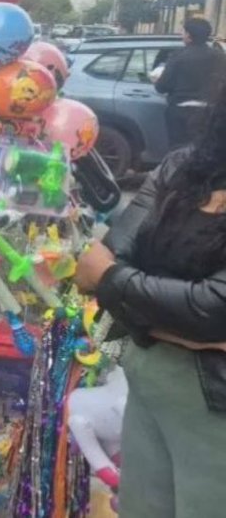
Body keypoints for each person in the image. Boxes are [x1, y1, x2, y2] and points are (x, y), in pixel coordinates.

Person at [75, 79, 226, 518]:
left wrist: (123, 287)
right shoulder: (185, 167)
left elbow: (215, 309)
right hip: (149, 386)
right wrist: (173, 321)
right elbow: (103, 262)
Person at [154, 17, 226, 148]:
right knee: (205, 151)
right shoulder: (220, 57)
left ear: (188, 35)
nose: (182, 35)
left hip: (181, 111)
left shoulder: (178, 56)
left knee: (178, 152)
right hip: (211, 113)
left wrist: (156, 80)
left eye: (183, 32)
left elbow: (162, 87)